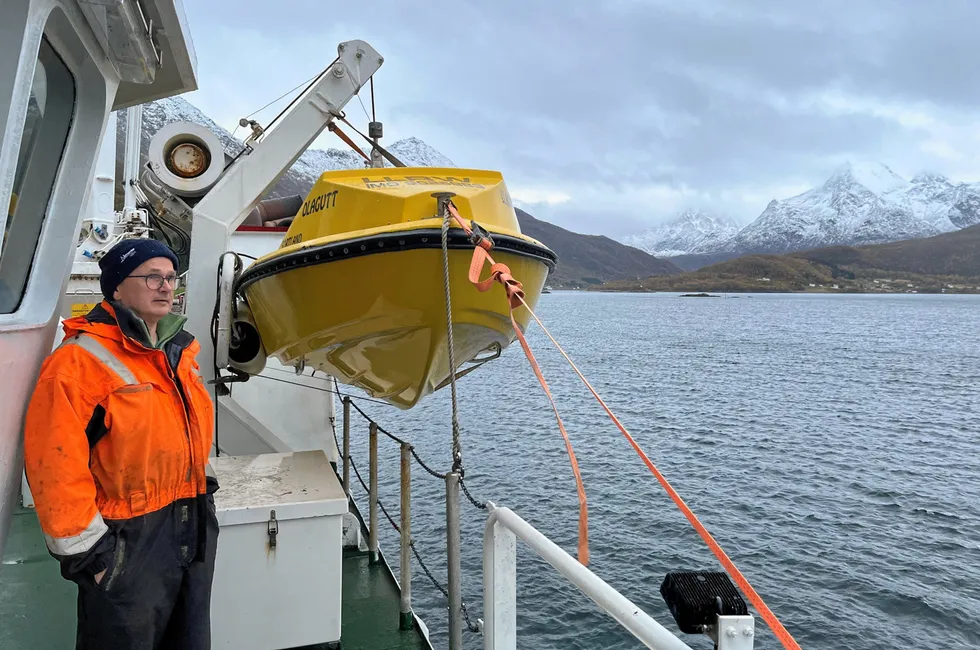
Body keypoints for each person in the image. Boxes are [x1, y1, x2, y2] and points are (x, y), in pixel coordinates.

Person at [23, 238, 219, 649]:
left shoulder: (178, 352)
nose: (166, 287)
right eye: (152, 277)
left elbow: (188, 433)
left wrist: (207, 493)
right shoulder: (77, 363)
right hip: (126, 543)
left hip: (190, 527)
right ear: (115, 288)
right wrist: (93, 558)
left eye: (170, 278)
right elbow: (53, 466)